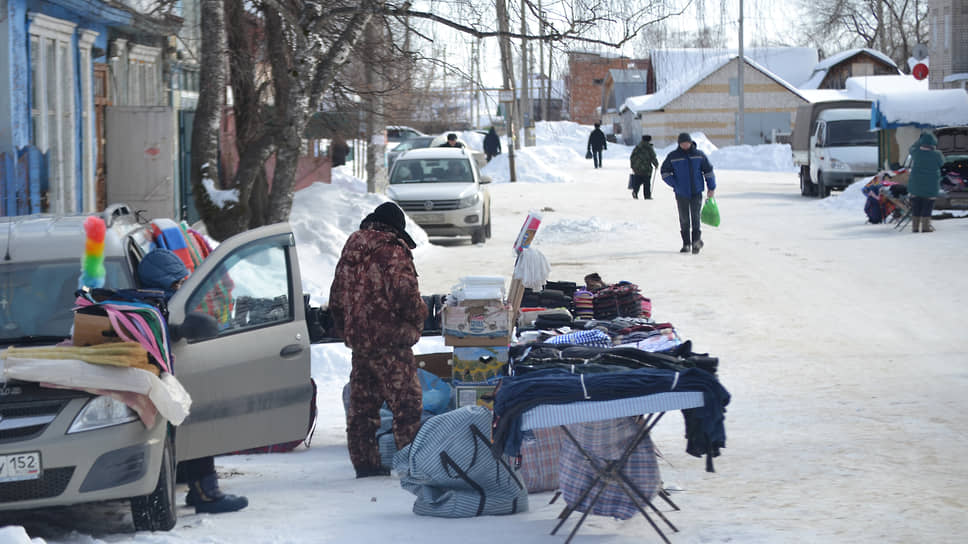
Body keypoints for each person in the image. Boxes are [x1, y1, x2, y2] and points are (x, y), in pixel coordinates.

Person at [136, 248, 249, 514]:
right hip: (164, 382)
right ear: (168, 282)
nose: (183, 287)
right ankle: (207, 494)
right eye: (179, 282)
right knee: (196, 422)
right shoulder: (161, 305)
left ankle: (195, 485)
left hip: (161, 381)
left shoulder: (151, 302)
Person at [328, 202, 428, 478]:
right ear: (395, 229)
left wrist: (348, 329)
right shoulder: (392, 251)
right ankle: (413, 467)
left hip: (361, 343)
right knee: (407, 404)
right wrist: (420, 316)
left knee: (363, 406)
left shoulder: (352, 249)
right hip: (391, 343)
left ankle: (366, 464)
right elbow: (406, 295)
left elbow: (336, 296)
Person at [660, 132, 716, 254]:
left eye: (687, 143)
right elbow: (664, 172)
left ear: (691, 143)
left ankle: (696, 243)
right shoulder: (673, 156)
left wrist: (711, 187)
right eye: (682, 143)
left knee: (696, 218)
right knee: (684, 219)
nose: (685, 145)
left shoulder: (699, 155)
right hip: (681, 193)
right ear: (679, 144)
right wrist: (675, 184)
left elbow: (708, 171)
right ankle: (686, 244)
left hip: (696, 192)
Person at [906, 131, 945, 233]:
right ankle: (925, 227)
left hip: (916, 184)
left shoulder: (916, 153)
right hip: (931, 185)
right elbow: (942, 163)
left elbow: (910, 148)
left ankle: (915, 227)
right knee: (927, 205)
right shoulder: (937, 154)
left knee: (916, 205)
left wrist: (919, 141)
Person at [629, 134, 659, 199]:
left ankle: (635, 192)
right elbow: (653, 157)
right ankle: (647, 196)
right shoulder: (649, 148)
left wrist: (632, 166)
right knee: (647, 183)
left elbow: (632, 157)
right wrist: (656, 164)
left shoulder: (637, 147)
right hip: (646, 169)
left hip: (637, 168)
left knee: (638, 181)